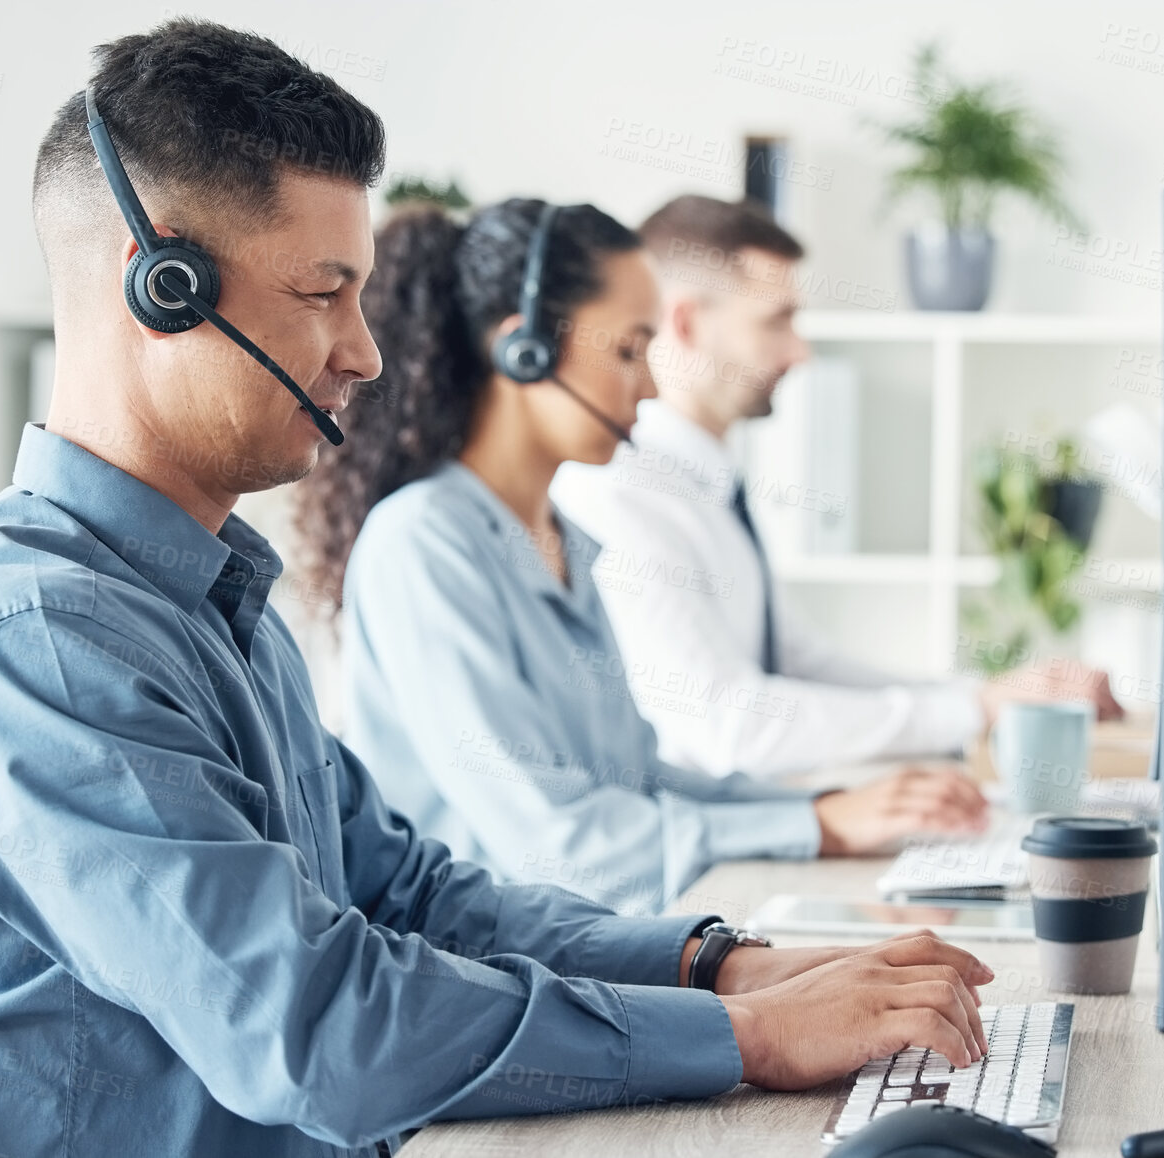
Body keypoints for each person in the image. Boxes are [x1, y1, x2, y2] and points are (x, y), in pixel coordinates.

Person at [0, 21, 994, 1158]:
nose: (366, 352)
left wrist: (720, 962)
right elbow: (321, 1029)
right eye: (321, 292)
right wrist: (740, 1034)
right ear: (163, 286)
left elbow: (414, 895)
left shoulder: (210, 600)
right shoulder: (41, 642)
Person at [295, 196, 990, 919]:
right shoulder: (425, 544)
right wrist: (813, 825)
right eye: (629, 351)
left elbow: (633, 780)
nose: (653, 385)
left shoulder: (563, 536)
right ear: (523, 350)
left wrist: (830, 808)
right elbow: (561, 846)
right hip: (485, 977)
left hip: (576, 948)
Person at [551, 195, 1122, 781]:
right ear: (688, 322)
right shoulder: (619, 495)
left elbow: (800, 663)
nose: (801, 353)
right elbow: (725, 726)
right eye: (777, 320)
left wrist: (993, 695)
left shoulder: (706, 485)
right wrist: (969, 709)